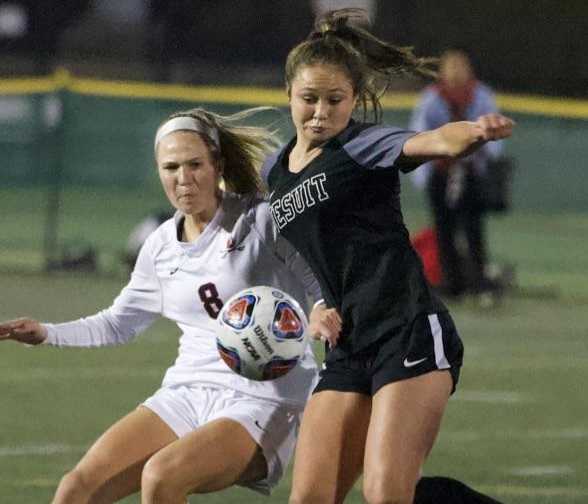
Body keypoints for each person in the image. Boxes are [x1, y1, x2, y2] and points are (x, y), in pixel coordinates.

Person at [0, 107, 323, 503]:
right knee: (75, 490)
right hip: (187, 392)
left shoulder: (259, 220)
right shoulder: (161, 247)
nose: (183, 179)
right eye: (170, 167)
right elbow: (119, 323)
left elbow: (319, 277)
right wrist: (47, 333)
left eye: (194, 165)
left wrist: (322, 307)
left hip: (265, 397)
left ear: (217, 164)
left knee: (162, 477)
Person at [261, 9, 512, 504]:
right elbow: (300, 253)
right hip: (348, 349)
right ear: (288, 94)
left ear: (354, 99)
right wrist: (315, 305)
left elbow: (432, 140)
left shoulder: (362, 145)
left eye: (335, 100)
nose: (320, 111)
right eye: (308, 99)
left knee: (385, 494)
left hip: (408, 331)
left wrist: (473, 133)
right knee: (309, 497)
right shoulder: (276, 170)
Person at [410, 49, 506, 298]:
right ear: (442, 72)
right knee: (443, 229)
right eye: (450, 67)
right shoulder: (431, 98)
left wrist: (487, 161)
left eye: (460, 67)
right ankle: (450, 282)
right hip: (441, 173)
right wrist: (423, 173)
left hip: (471, 172)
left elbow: (494, 132)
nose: (455, 72)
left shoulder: (481, 95)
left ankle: (478, 280)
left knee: (474, 227)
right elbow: (419, 133)